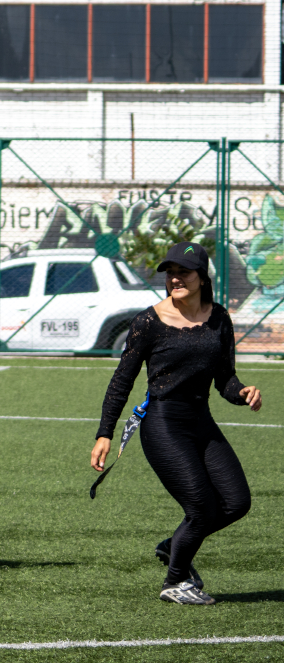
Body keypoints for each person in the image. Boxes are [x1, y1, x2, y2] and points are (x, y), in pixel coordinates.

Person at [91, 242, 262, 606]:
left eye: (183, 271)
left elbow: (225, 380)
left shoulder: (219, 318)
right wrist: (104, 432)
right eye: (170, 272)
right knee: (200, 508)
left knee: (236, 502)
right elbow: (122, 380)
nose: (175, 278)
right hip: (164, 424)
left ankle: (173, 546)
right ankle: (175, 581)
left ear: (202, 277)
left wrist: (243, 392)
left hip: (201, 420)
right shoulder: (149, 322)